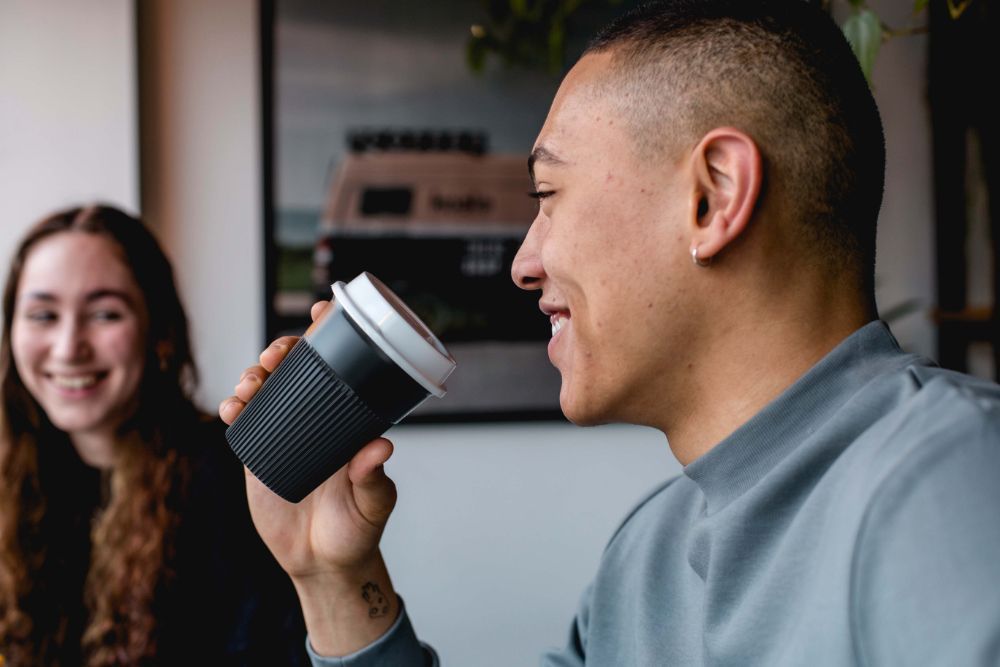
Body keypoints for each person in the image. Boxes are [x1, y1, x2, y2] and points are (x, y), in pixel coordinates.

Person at [221, 0, 1000, 664]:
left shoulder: (946, 483)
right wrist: (332, 575)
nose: (523, 262)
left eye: (548, 192)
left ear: (713, 197)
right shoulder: (646, 558)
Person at [0, 205, 308, 665]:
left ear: (158, 329)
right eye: (43, 315)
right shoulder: (13, 478)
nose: (68, 349)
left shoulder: (232, 479)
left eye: (105, 314)